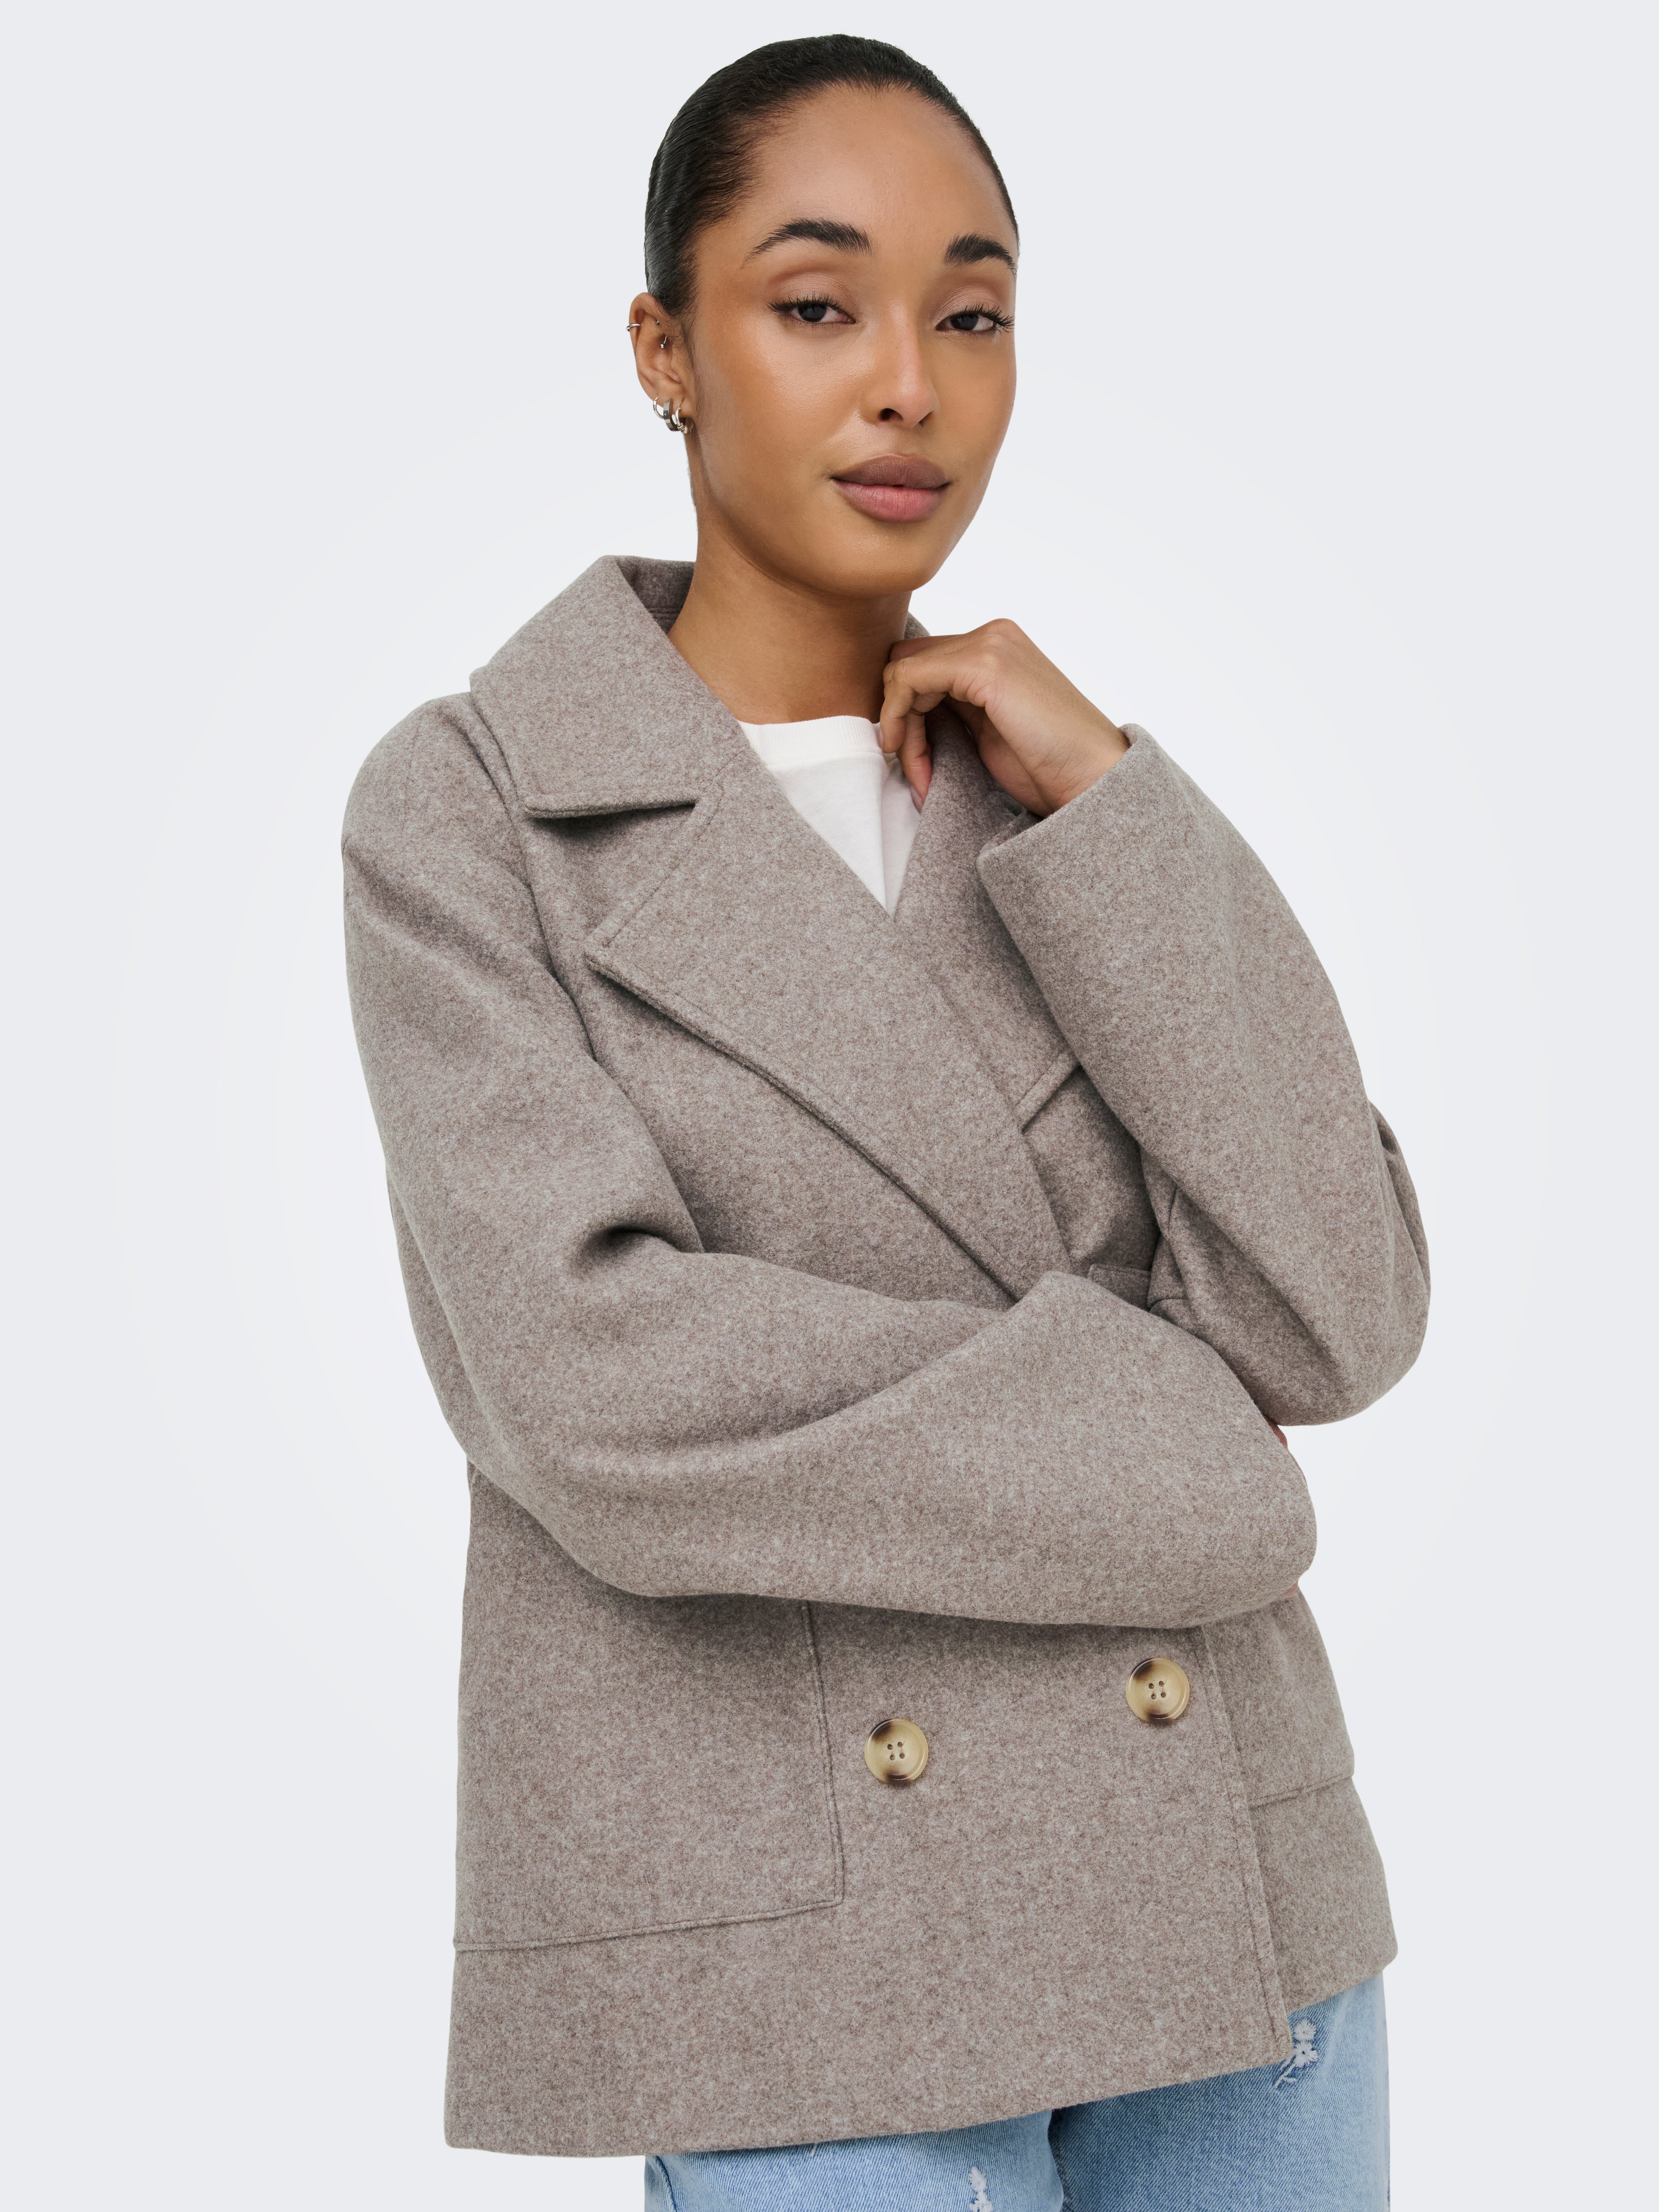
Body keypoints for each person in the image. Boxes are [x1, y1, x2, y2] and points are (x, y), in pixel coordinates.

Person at [343, 33, 1427, 2210]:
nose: (908, 387)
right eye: (818, 303)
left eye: (973, 313)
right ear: (665, 349)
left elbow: (1339, 1313)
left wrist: (1114, 806)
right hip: (802, 1944)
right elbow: (597, 1385)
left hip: (1231, 1907)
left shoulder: (1054, 795)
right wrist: (1167, 1448)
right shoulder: (478, 808)